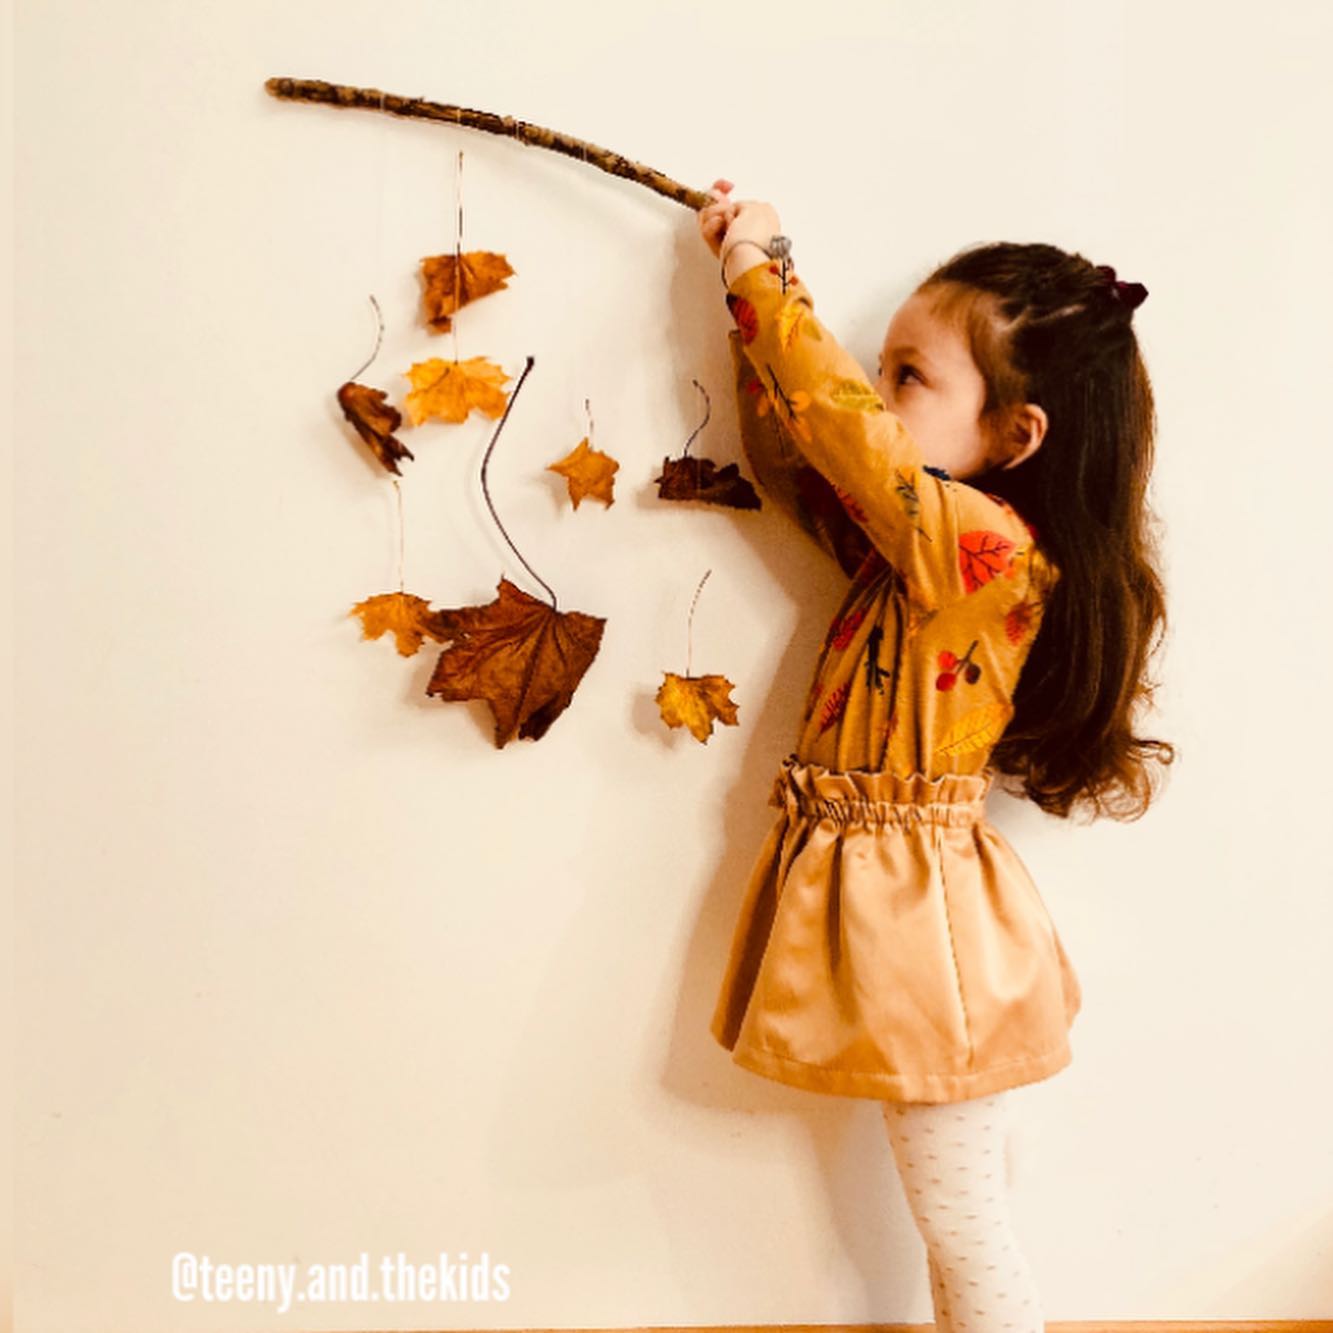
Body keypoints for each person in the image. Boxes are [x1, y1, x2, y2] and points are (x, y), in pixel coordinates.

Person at [696, 179, 1175, 1333]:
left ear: (1017, 436)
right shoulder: (913, 547)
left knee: (960, 1216)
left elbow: (841, 437)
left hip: (925, 925)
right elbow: (796, 448)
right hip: (901, 901)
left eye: (908, 376)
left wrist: (761, 272)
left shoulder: (982, 544)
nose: (873, 389)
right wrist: (760, 292)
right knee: (959, 1204)